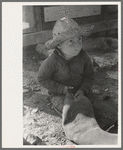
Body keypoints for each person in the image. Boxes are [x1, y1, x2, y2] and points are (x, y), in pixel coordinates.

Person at [37, 17, 95, 114]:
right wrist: (61, 89)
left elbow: (90, 76)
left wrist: (83, 90)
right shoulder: (52, 61)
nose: (77, 45)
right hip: (59, 94)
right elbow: (42, 79)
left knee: (97, 107)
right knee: (72, 111)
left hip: (80, 91)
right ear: (59, 45)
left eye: (79, 39)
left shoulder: (84, 56)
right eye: (70, 41)